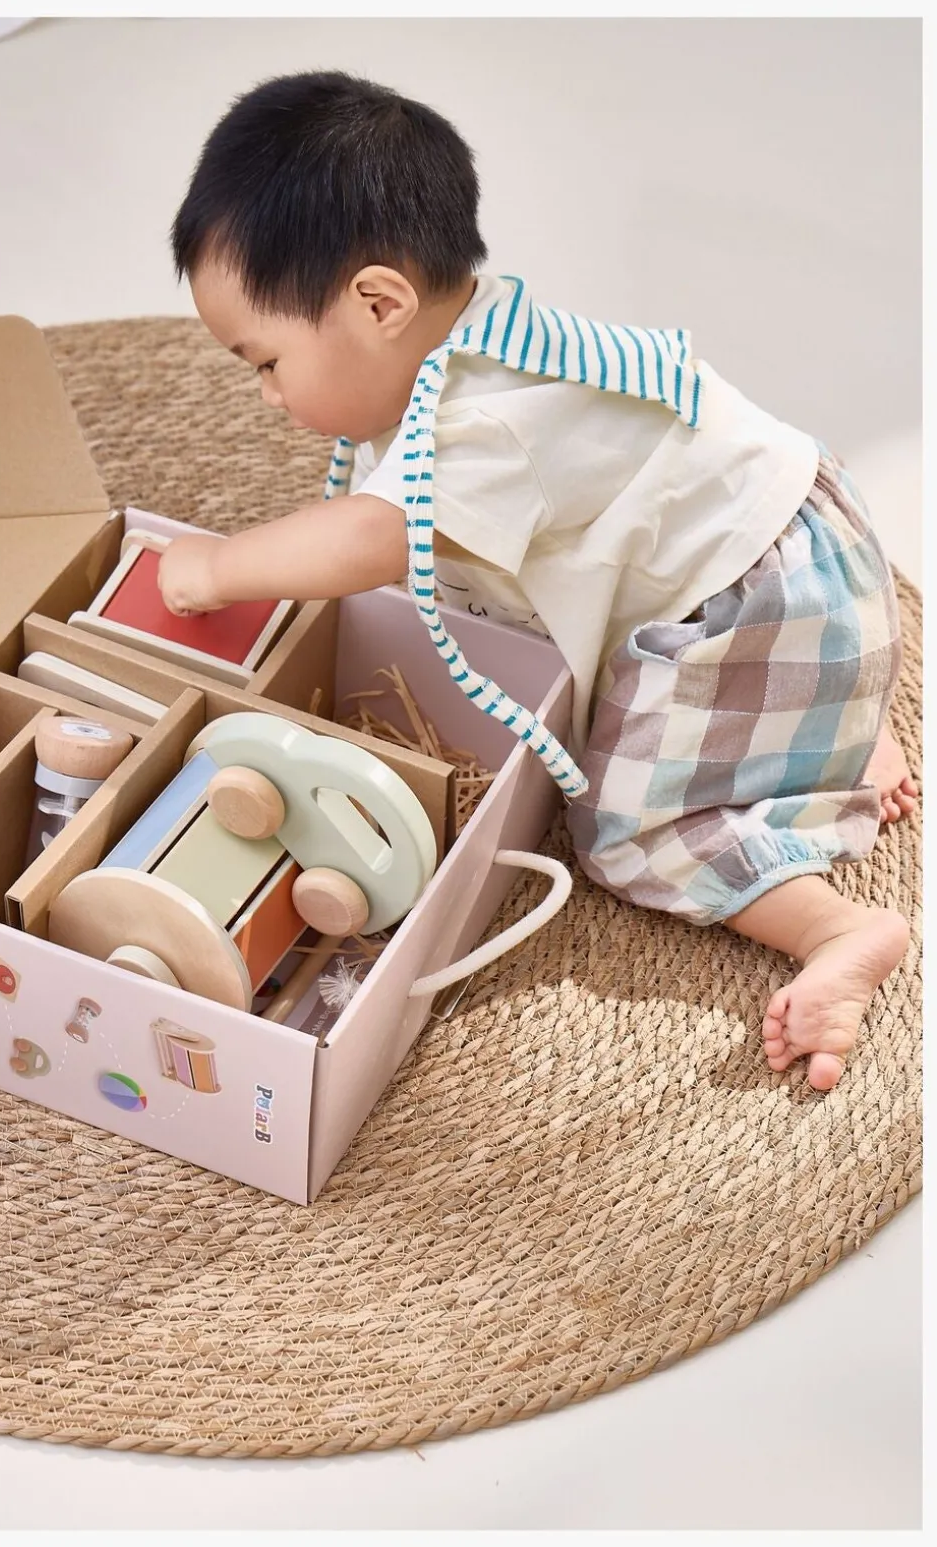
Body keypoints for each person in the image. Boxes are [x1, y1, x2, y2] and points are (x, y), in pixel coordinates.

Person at [158, 70, 916, 1091]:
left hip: (759, 611)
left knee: (625, 830)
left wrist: (218, 565)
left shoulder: (490, 429)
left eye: (264, 362)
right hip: (802, 546)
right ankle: (826, 727)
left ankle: (833, 925)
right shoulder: (485, 335)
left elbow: (367, 542)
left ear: (379, 302)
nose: (262, 395)